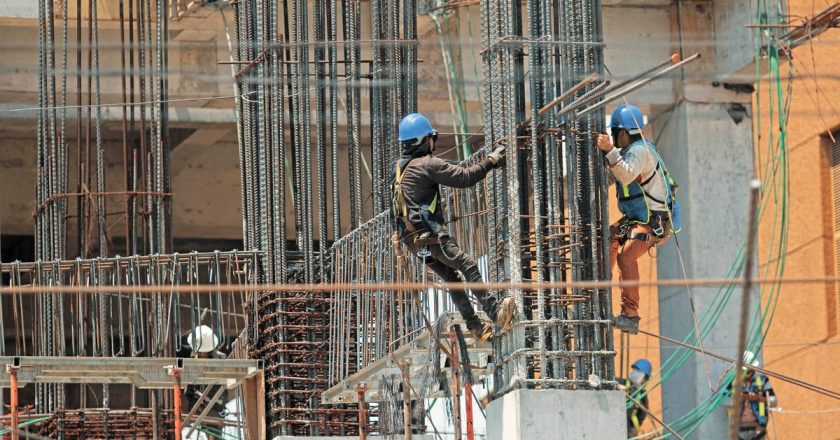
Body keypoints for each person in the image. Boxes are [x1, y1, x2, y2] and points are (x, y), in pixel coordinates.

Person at [391, 113, 515, 343]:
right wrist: (492, 160)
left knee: (451, 277)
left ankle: (476, 326)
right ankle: (495, 312)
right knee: (467, 265)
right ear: (424, 140)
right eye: (431, 138)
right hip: (431, 238)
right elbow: (465, 177)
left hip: (414, 244)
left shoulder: (399, 169)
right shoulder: (427, 164)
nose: (433, 143)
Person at [596, 104, 680, 335]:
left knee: (627, 254)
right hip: (638, 218)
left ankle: (630, 316)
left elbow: (624, 174)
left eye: (615, 134)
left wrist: (609, 149)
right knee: (608, 242)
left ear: (622, 133)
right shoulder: (631, 151)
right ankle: (599, 294)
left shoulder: (641, 151)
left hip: (655, 222)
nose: (615, 138)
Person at [732, 351, 778, 440]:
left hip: (759, 428)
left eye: (749, 371)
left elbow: (774, 401)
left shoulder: (763, 380)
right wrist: (738, 398)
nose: (747, 374)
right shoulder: (733, 383)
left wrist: (758, 398)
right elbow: (723, 401)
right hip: (739, 430)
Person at [618, 358, 653, 438]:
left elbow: (642, 414)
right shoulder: (620, 383)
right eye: (645, 378)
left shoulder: (642, 394)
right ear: (642, 376)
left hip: (630, 430)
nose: (645, 381)